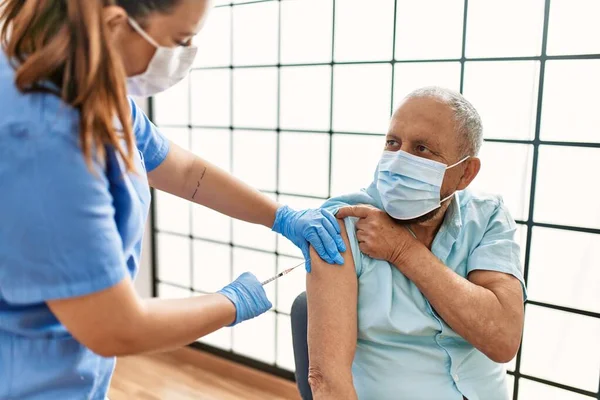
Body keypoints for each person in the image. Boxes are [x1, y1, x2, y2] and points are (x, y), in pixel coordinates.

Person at [0, 1, 346, 399]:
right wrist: (230, 303)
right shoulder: (41, 141)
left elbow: (184, 172)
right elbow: (115, 327)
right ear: (115, 24)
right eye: (179, 40)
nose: (186, 54)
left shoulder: (88, 83)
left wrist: (280, 216)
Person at [290, 87, 526, 400]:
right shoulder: (342, 222)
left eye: (422, 149)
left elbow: (502, 339)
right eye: (393, 143)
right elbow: (328, 381)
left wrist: (404, 251)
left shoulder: (487, 217)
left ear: (465, 173)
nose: (400, 160)